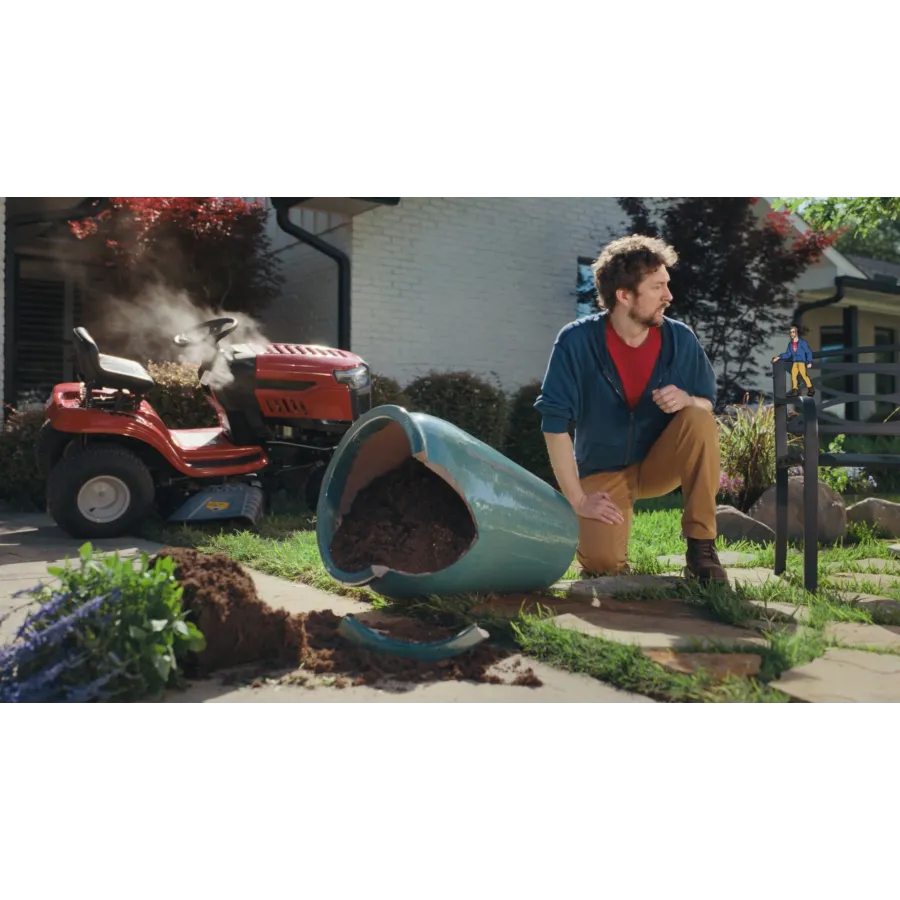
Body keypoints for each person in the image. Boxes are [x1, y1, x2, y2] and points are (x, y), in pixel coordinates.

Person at [535, 235, 727, 584]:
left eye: (667, 285)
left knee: (697, 417)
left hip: (659, 463)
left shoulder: (680, 339)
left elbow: (706, 403)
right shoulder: (576, 341)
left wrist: (687, 400)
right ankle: (603, 541)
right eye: (657, 287)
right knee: (603, 564)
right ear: (624, 296)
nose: (669, 296)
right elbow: (554, 423)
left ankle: (701, 549)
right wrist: (578, 500)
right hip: (603, 469)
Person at [772, 326, 815, 398]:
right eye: (790, 332)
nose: (791, 334)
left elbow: (808, 352)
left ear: (796, 333)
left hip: (801, 362)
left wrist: (810, 362)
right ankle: (795, 390)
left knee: (804, 376)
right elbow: (788, 354)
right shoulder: (790, 344)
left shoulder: (802, 343)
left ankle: (811, 389)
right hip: (795, 362)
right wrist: (779, 357)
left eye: (793, 332)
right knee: (793, 375)